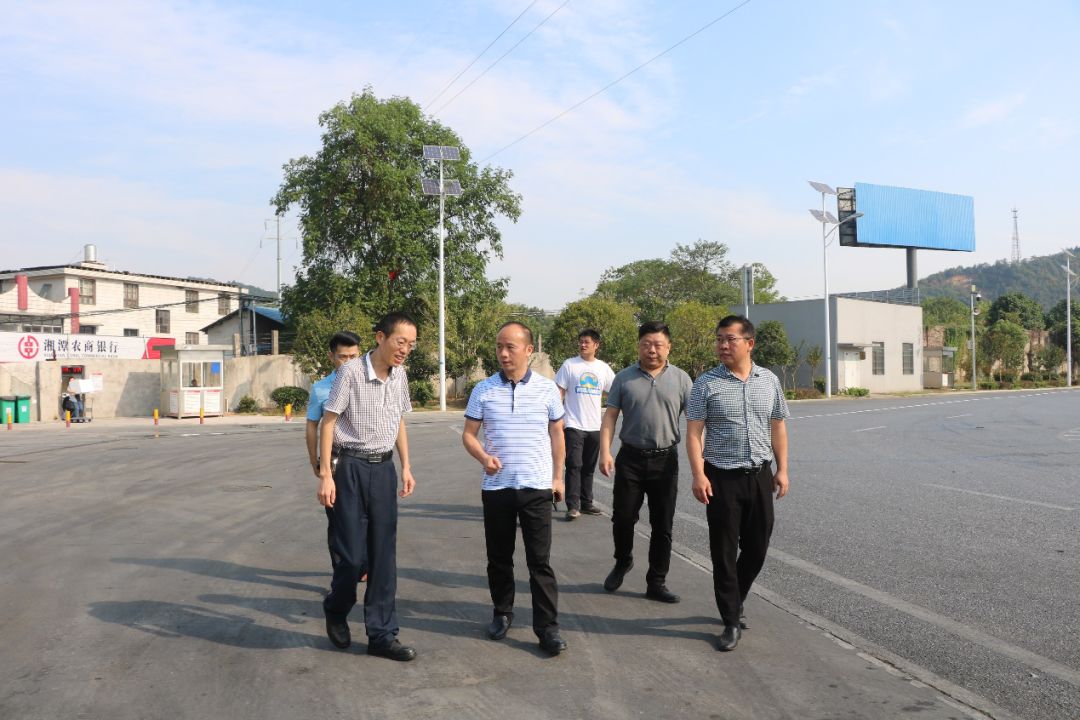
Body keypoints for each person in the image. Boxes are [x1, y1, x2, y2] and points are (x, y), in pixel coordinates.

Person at [462, 321, 568, 656]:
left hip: (536, 487)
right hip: (497, 488)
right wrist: (483, 457)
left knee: (540, 561)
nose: (503, 353)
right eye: (499, 347)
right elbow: (469, 435)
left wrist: (558, 477)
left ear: (528, 350)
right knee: (499, 558)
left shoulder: (548, 389)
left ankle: (547, 628)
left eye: (510, 347)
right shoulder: (483, 390)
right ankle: (502, 612)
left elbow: (557, 435)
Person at [317, 312, 419, 662]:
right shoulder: (350, 373)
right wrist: (326, 475)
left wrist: (405, 465)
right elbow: (328, 423)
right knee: (352, 556)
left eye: (411, 343)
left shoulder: (401, 375)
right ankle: (336, 606)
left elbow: (399, 420)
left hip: (383, 468)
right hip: (350, 468)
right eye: (400, 341)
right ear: (380, 337)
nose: (405, 349)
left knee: (382, 556)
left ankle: (382, 634)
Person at [686, 315, 789, 652]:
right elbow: (694, 433)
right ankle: (730, 619)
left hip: (759, 475)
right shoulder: (705, 383)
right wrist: (698, 474)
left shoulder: (769, 380)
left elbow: (777, 427)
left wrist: (782, 469)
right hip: (721, 477)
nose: (723, 345)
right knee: (724, 551)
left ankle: (736, 597)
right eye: (719, 339)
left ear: (749, 343)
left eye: (730, 339)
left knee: (758, 546)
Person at [599, 321, 692, 604]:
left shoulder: (681, 379)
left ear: (668, 347)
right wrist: (606, 451)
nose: (652, 350)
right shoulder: (624, 378)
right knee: (623, 517)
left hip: (665, 461)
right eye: (646, 344)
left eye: (658, 345)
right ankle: (623, 560)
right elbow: (611, 417)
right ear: (639, 346)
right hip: (631, 459)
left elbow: (696, 421)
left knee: (662, 524)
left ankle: (657, 581)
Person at [305, 331, 362, 574]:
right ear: (331, 357)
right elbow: (312, 426)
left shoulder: (369, 383)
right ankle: (341, 572)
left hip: (365, 460)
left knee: (366, 518)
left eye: (354, 356)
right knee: (338, 520)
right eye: (343, 357)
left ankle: (362, 563)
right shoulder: (321, 389)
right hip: (337, 461)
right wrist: (315, 461)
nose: (349, 362)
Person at [555, 328, 616, 521]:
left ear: (596, 345)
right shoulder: (569, 365)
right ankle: (573, 506)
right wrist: (557, 418)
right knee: (574, 465)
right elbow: (559, 392)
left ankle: (587, 502)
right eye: (580, 341)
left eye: (587, 342)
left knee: (589, 467)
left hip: (595, 426)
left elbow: (614, 391)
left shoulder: (603, 368)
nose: (582, 345)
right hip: (573, 424)